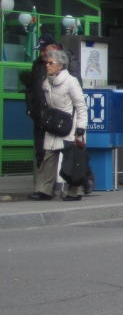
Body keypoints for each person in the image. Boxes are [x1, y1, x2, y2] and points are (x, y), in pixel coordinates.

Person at [27, 49, 88, 202]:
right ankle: (44, 191)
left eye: (50, 63)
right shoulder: (47, 82)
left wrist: (80, 127)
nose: (47, 65)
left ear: (60, 65)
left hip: (70, 126)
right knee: (49, 157)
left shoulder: (71, 81)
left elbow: (81, 106)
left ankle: (74, 192)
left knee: (72, 159)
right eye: (46, 63)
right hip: (53, 125)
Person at [21, 35, 61, 168]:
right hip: (40, 115)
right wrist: (31, 108)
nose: (42, 53)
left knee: (58, 151)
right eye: (41, 50)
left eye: (45, 49)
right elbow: (31, 89)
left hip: (58, 116)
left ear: (54, 48)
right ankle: (43, 186)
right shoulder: (37, 64)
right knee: (40, 152)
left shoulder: (65, 62)